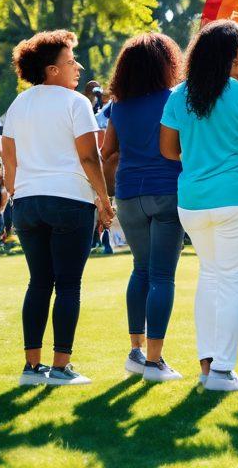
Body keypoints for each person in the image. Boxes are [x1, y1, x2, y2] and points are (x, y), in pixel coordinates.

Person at [159, 20, 238, 392]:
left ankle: (208, 366)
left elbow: (168, 150)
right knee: (230, 283)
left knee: (210, 278)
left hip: (193, 200)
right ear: (231, 55)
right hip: (236, 199)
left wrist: (200, 155)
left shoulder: (179, 95)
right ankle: (223, 372)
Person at [2, 30, 114, 387]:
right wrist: (104, 200)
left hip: (27, 202)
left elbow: (9, 160)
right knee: (68, 285)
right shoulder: (76, 102)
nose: (78, 67)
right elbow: (89, 157)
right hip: (69, 200)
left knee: (38, 282)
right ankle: (61, 367)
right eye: (71, 61)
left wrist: (17, 193)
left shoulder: (18, 104)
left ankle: (31, 367)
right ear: (52, 70)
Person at [100, 33, 185, 382]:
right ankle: (154, 360)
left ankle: (136, 351)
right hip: (166, 190)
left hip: (128, 194)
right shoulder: (175, 98)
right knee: (162, 276)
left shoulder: (119, 106)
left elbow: (108, 152)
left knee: (141, 270)